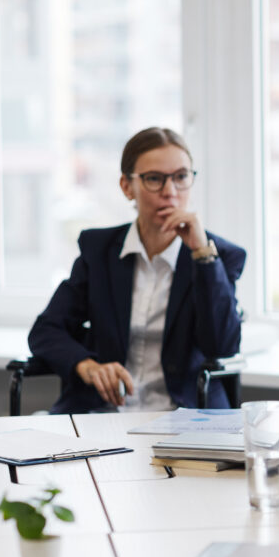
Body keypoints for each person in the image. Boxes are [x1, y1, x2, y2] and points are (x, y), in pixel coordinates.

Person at [28, 127, 245, 413]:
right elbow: (46, 330)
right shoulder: (99, 249)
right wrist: (88, 367)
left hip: (184, 417)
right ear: (127, 186)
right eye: (154, 179)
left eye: (181, 177)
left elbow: (222, 346)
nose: (170, 192)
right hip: (101, 413)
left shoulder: (218, 254)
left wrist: (201, 254)